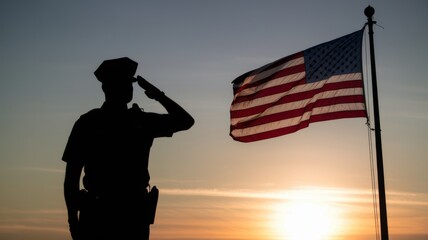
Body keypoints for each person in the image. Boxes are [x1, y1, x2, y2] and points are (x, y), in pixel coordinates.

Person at [62, 57, 194, 240]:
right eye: (124, 83)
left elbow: (186, 122)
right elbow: (71, 177)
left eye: (129, 83)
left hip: (130, 218)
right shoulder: (90, 123)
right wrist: (72, 221)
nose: (129, 87)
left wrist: (157, 94)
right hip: (103, 217)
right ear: (108, 87)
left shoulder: (134, 121)